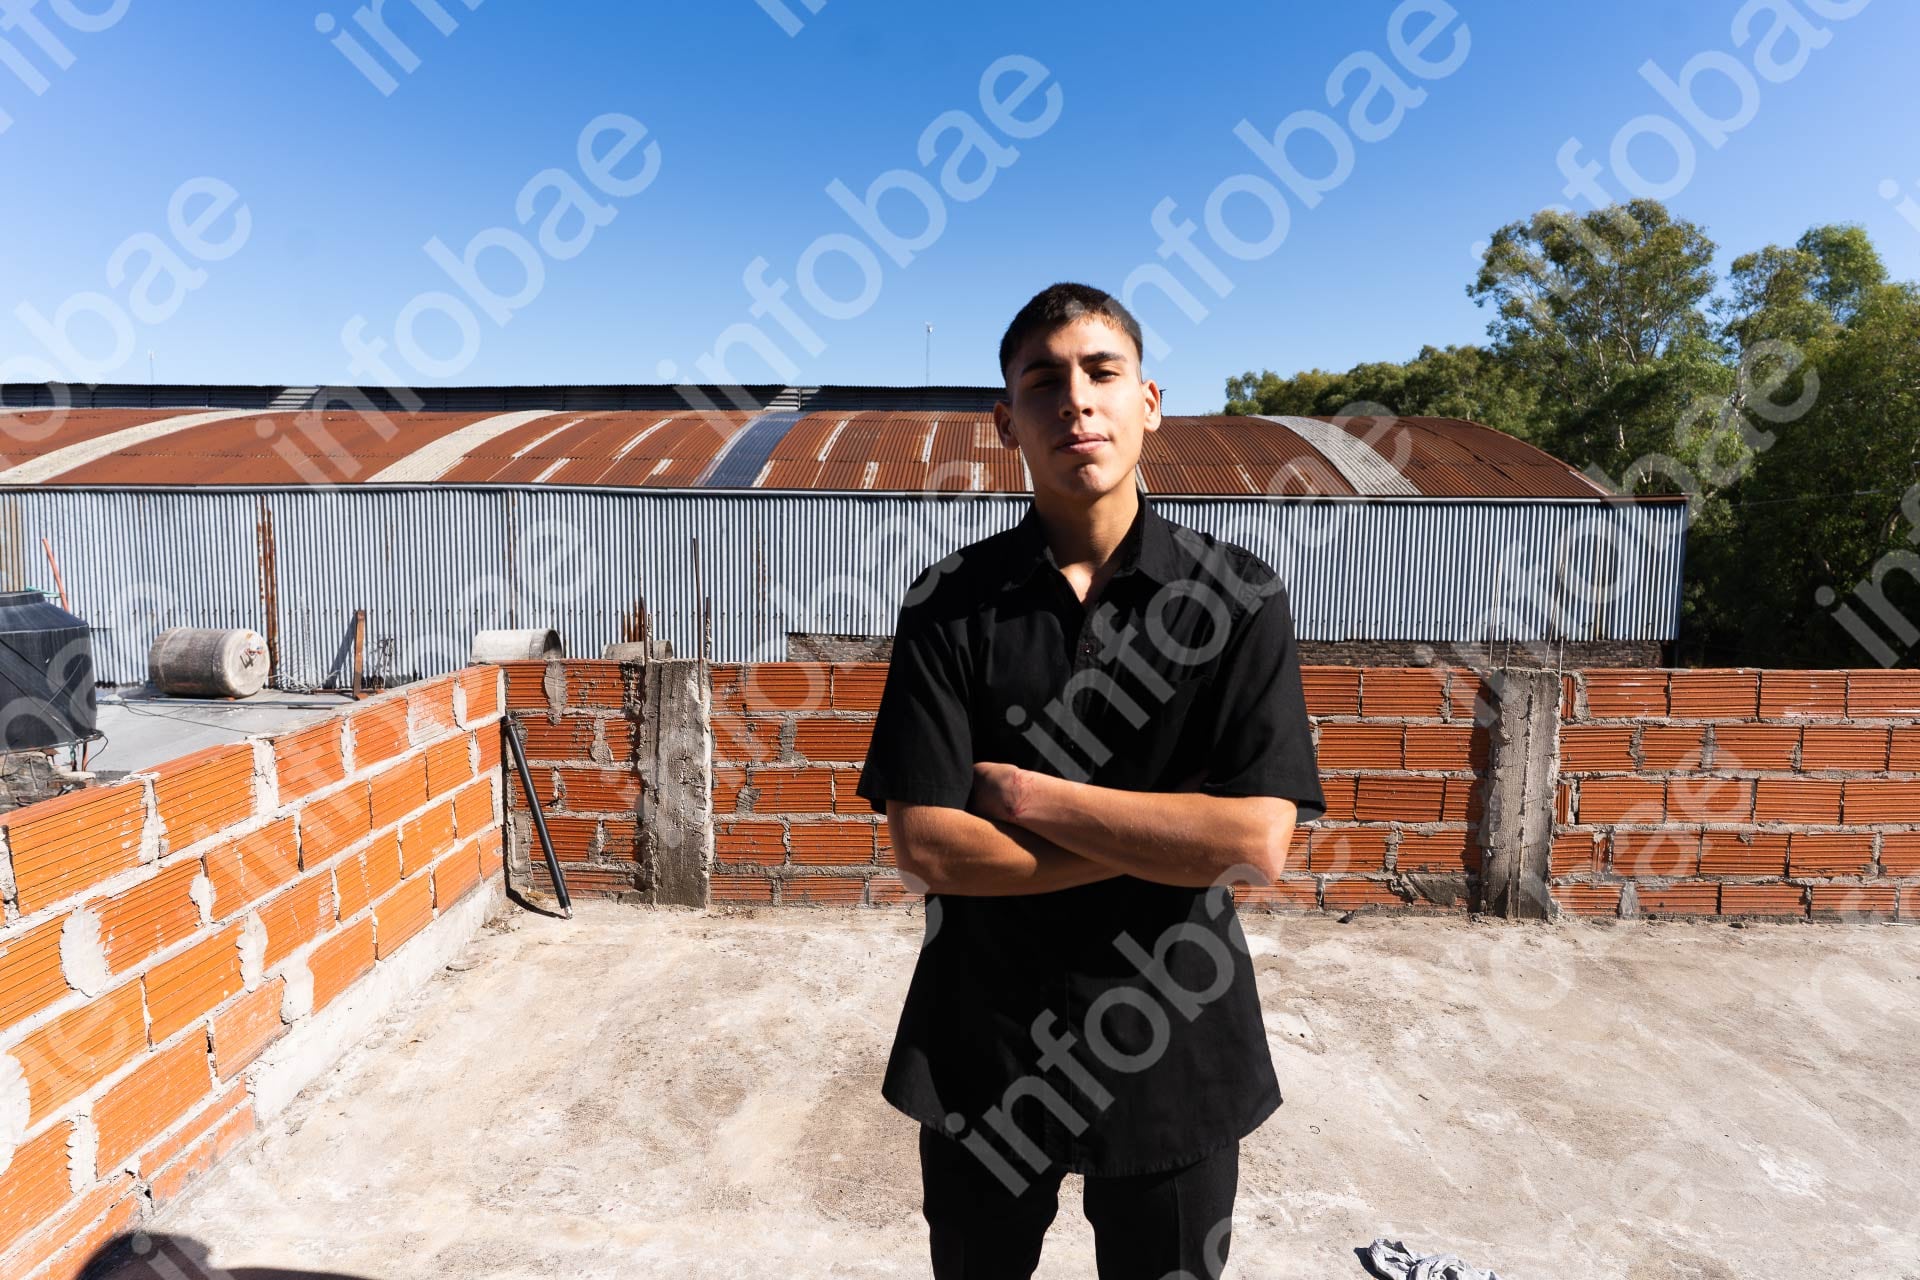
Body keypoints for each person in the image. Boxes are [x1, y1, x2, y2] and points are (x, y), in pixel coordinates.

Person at [854, 281, 1326, 1279]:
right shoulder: (949, 605)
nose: (1077, 399)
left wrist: (1032, 798)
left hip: (1174, 1048)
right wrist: (1162, 839)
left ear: (1148, 400)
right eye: (1044, 379)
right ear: (1005, 418)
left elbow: (1254, 841)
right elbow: (929, 846)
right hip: (983, 1045)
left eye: (1103, 372)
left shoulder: (1238, 599)